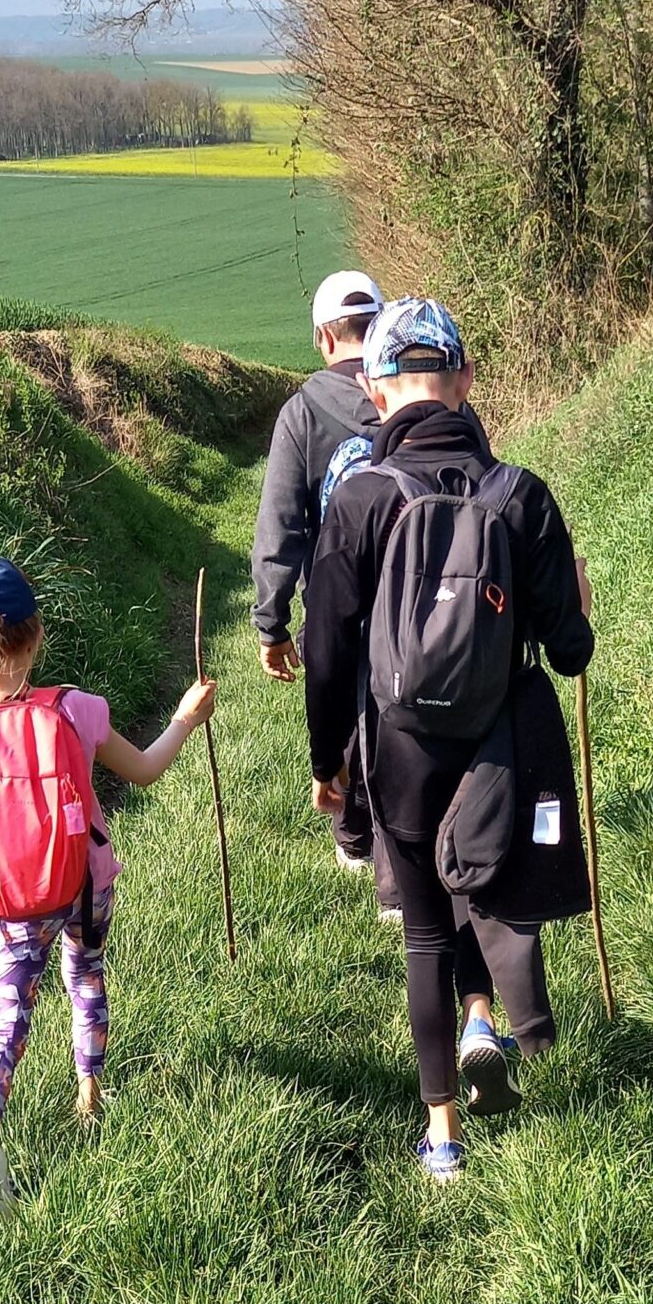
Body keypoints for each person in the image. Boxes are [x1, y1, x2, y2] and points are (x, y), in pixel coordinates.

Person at [301, 299, 594, 1181]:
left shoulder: (361, 499)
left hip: (400, 747)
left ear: (376, 390)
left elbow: (326, 651)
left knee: (425, 930)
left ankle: (442, 1138)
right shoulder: (521, 496)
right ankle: (488, 1019)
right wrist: (576, 605)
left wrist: (330, 764)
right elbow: (571, 653)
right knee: (487, 886)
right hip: (502, 741)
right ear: (465, 382)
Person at [0, 553, 216, 1214]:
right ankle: (89, 1093)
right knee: (85, 974)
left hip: (12, 898)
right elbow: (145, 770)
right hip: (84, 882)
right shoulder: (77, 710)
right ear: (38, 633)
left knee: (5, 1017)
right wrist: (186, 718)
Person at [250, 270, 394, 889]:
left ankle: (356, 837)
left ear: (323, 339)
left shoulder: (302, 413)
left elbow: (280, 525)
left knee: (344, 709)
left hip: (337, 603)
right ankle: (400, 854)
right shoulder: (413, 394)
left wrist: (272, 623)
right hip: (418, 595)